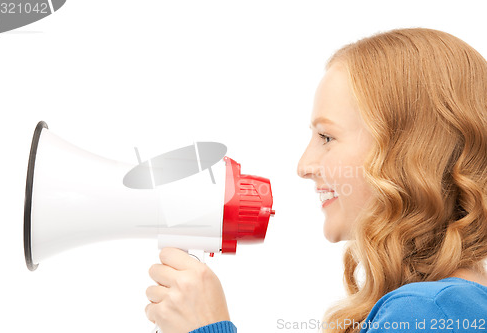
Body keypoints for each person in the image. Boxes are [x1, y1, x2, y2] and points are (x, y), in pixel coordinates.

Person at [144, 27, 487, 333]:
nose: (304, 165)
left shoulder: (429, 313)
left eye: (326, 137)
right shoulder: (444, 309)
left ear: (408, 152)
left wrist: (207, 328)